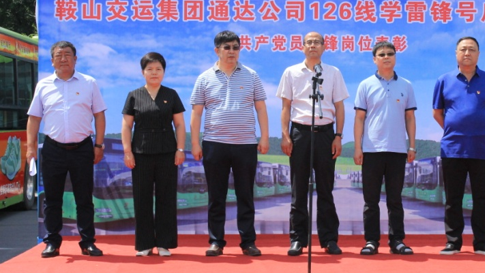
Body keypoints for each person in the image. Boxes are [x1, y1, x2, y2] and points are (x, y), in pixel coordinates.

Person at [190, 30, 269, 257]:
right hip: (214, 143)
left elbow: (261, 108)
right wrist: (195, 143)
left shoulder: (251, 75)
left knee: (245, 195)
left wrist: (264, 137)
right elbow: (197, 113)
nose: (232, 51)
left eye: (235, 47)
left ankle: (248, 242)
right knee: (216, 196)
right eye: (227, 47)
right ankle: (216, 241)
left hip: (245, 143)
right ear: (217, 50)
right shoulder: (204, 78)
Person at [26, 41, 107, 258]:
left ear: (75, 59)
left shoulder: (89, 83)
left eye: (68, 55)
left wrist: (99, 145)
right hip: (53, 149)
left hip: (82, 148)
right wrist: (30, 147)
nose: (63, 59)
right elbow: (34, 118)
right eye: (59, 55)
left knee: (84, 199)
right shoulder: (43, 85)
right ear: (52, 61)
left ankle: (88, 242)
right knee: (52, 199)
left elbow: (99, 115)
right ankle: (52, 242)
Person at [277, 31, 349, 256]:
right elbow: (286, 107)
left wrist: (338, 136)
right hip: (300, 133)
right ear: (302, 47)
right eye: (309, 42)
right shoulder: (291, 72)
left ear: (324, 47)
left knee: (326, 189)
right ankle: (298, 239)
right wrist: (285, 135)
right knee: (298, 189)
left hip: (326, 133)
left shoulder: (333, 72)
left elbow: (339, 107)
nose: (313, 46)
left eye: (317, 42)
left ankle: (329, 239)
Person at [432, 36, 485, 256]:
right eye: (463, 49)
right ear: (456, 53)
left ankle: (482, 243)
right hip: (452, 148)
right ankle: (453, 242)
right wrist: (455, 129)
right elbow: (437, 113)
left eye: (471, 49)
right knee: (453, 198)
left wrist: (478, 127)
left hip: (481, 148)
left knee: (481, 198)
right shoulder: (444, 80)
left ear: (478, 54)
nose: (467, 53)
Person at [353, 41, 417, 255]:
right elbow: (359, 118)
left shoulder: (406, 85)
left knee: (395, 200)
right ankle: (371, 241)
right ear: (374, 59)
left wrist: (412, 146)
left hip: (397, 150)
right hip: (372, 150)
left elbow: (410, 117)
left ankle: (397, 240)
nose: (386, 57)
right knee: (371, 201)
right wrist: (358, 147)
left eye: (390, 53)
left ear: (395, 57)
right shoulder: (365, 85)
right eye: (381, 54)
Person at [121, 52, 186, 257]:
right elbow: (126, 126)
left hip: (167, 153)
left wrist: (180, 149)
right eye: (150, 69)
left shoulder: (171, 94)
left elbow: (179, 124)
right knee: (142, 198)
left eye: (158, 69)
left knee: (167, 198)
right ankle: (145, 244)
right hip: (141, 153)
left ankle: (165, 243)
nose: (154, 73)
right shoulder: (134, 95)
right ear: (143, 72)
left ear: (164, 72)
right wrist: (128, 152)